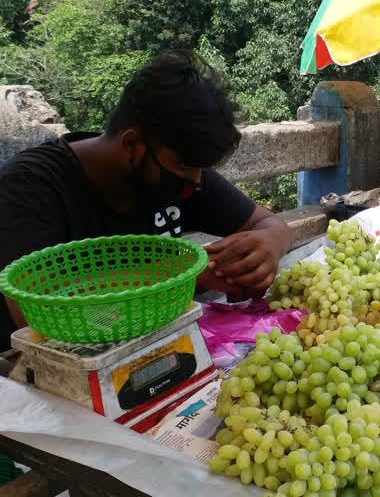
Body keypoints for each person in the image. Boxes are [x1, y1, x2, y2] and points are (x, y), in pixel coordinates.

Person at [0, 50, 291, 351]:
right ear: (132, 144)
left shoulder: (179, 176)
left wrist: (268, 243)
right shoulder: (31, 186)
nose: (195, 182)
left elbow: (271, 223)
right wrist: (179, 276)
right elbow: (33, 314)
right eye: (186, 166)